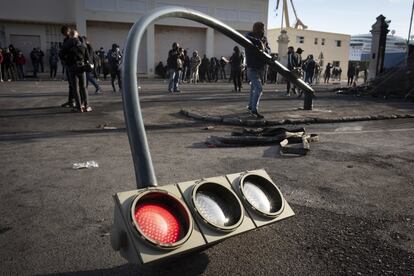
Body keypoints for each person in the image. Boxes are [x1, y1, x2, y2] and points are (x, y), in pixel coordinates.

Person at [245, 21, 270, 119]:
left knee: (253, 88)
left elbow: (268, 49)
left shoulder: (264, 38)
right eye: (261, 28)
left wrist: (265, 48)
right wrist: (258, 42)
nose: (263, 30)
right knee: (259, 88)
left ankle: (251, 106)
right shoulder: (249, 36)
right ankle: (254, 109)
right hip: (252, 67)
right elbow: (247, 38)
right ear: (256, 28)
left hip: (261, 67)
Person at [67, 30, 92, 112]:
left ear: (71, 36)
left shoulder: (68, 44)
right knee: (84, 87)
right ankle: (86, 105)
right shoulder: (83, 45)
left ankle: (78, 107)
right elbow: (88, 58)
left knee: (75, 88)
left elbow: (62, 55)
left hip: (72, 67)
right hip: (82, 66)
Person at [59, 25, 76, 108]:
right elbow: (63, 52)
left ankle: (76, 101)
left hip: (73, 65)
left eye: (65, 32)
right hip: (69, 64)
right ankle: (71, 101)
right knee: (71, 84)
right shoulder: (66, 40)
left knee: (75, 84)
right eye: (63, 33)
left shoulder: (73, 40)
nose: (64, 34)